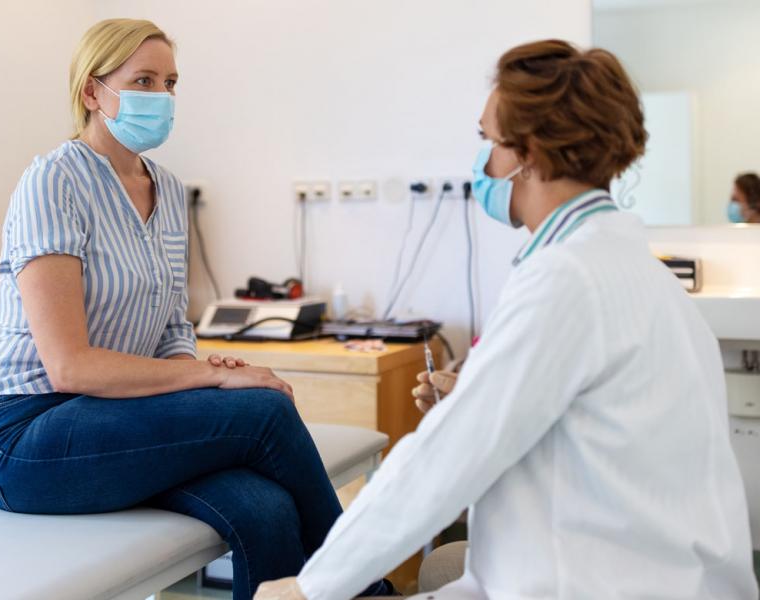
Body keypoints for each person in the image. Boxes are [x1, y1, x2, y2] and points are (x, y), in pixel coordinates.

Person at [256, 40, 758, 599]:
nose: (484, 164)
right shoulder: (636, 273)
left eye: (488, 142)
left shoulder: (567, 279)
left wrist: (310, 587)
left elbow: (441, 461)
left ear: (531, 154)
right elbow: (593, 426)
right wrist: (477, 392)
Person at [0, 19, 392, 599]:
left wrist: (200, 379)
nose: (162, 97)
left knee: (264, 510)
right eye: (144, 80)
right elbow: (71, 367)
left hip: (110, 419)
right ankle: (368, 588)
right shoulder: (53, 182)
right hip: (21, 430)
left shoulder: (166, 193)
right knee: (262, 411)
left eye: (170, 82)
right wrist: (207, 377)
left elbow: (170, 329)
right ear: (93, 92)